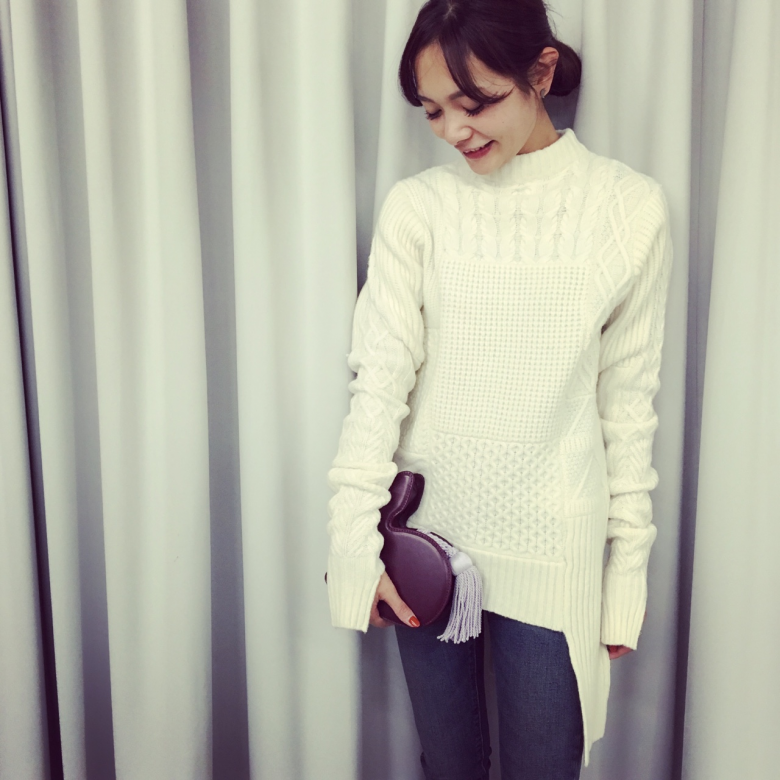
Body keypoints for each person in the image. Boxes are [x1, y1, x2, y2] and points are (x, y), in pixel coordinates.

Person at [325, 0, 674, 777]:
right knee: (448, 765)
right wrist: (354, 547)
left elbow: (628, 408)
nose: (453, 130)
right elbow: (377, 385)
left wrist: (625, 577)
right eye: (432, 111)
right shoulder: (419, 208)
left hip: (556, 550)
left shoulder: (629, 210)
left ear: (540, 73)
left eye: (474, 102)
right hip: (427, 544)